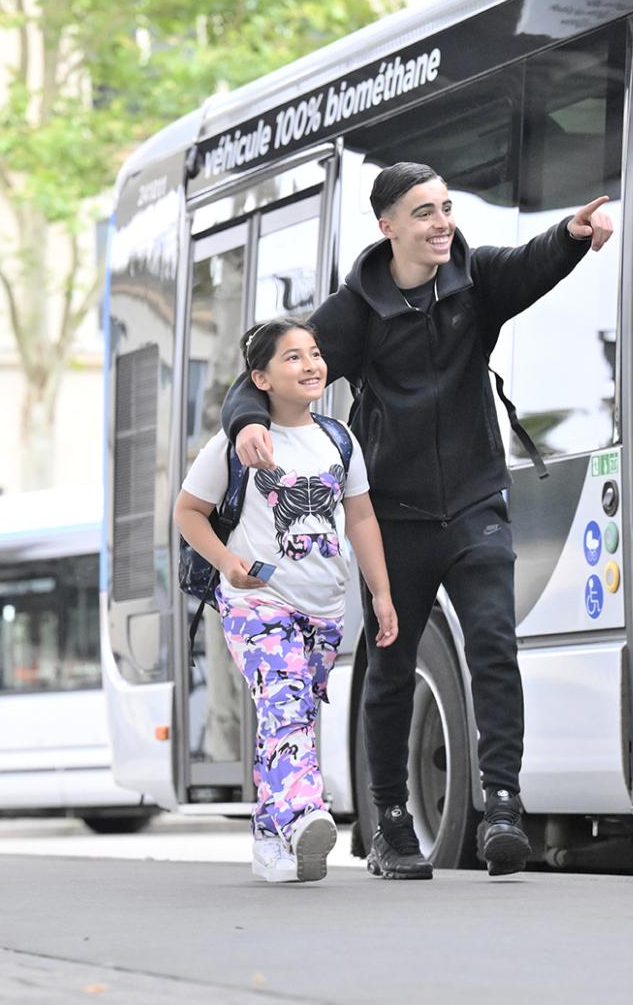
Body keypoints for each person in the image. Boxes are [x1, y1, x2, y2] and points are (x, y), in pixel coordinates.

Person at [222, 162, 614, 880]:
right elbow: (267, 369)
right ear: (388, 227)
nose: (442, 223)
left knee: (494, 643)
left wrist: (569, 234)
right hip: (393, 517)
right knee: (393, 665)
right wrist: (251, 422)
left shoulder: (475, 280)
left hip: (473, 504)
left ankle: (502, 808)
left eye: (447, 208)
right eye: (424, 212)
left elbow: (531, 263)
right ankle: (390, 823)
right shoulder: (352, 313)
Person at [178, 317, 399, 884]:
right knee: (282, 703)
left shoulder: (338, 439)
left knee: (291, 716)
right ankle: (305, 812)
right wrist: (229, 563)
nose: (311, 365)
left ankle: (271, 839)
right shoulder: (236, 443)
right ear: (261, 377)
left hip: (324, 607)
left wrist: (381, 593)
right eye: (293, 358)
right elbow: (187, 513)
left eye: (315, 354)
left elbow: (362, 517)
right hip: (258, 603)